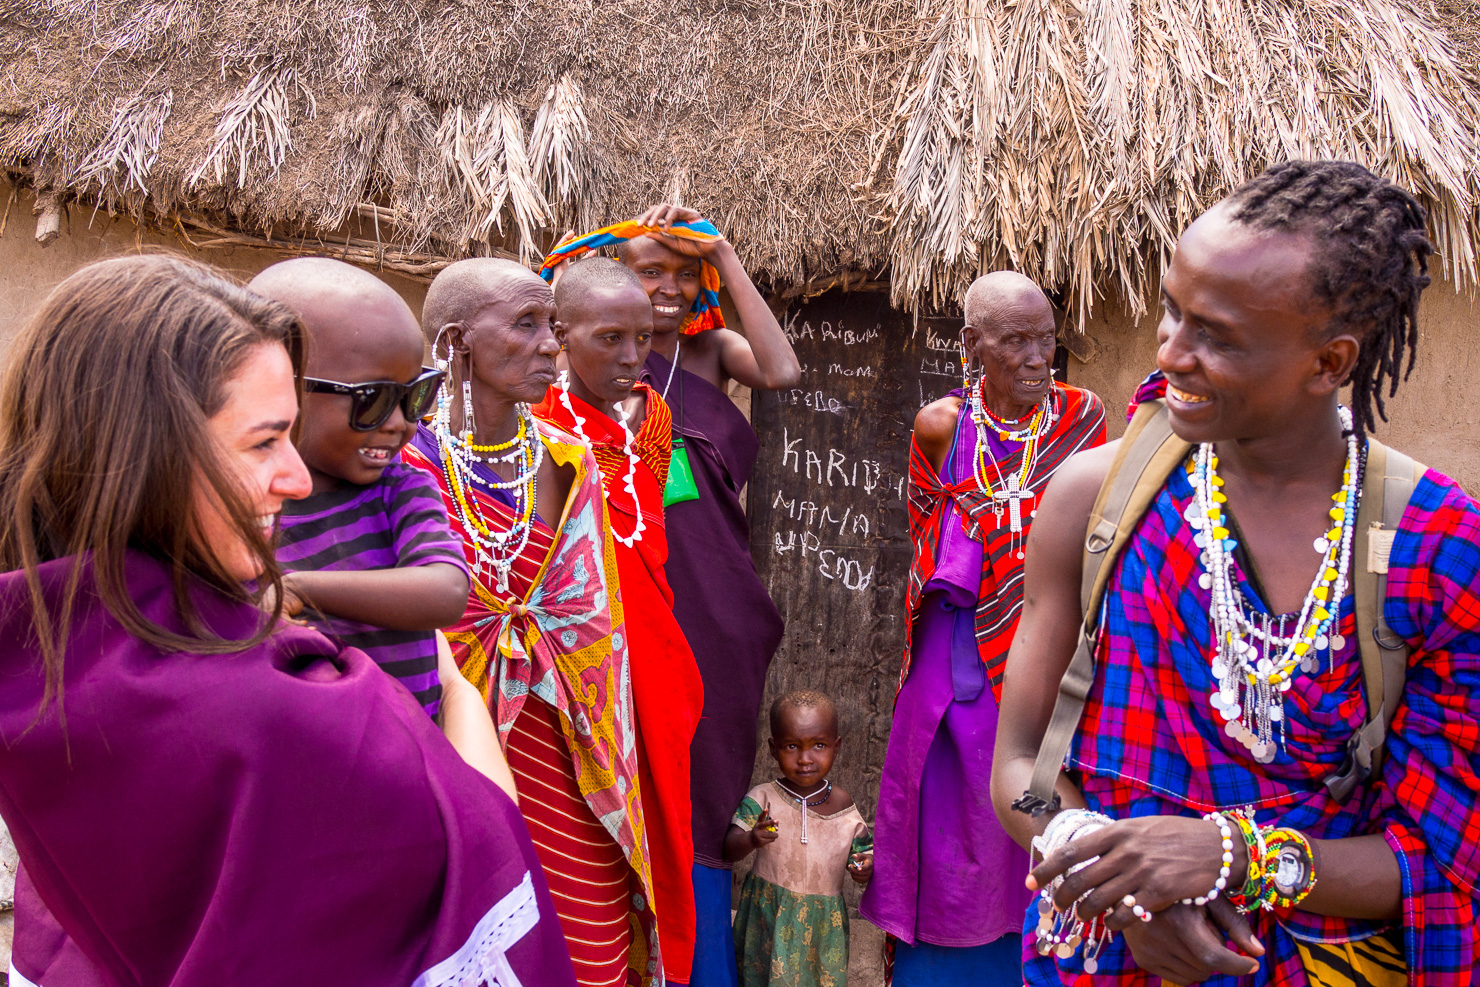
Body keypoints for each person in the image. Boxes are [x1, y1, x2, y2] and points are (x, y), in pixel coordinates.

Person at [0, 254, 574, 987]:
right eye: (265, 441)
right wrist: (458, 694)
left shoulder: (48, 649)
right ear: (148, 455)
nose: (297, 479)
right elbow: (481, 842)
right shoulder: (286, 709)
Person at [991, 160, 1480, 986]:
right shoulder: (1096, 502)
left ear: (1328, 363)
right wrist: (1122, 896)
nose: (1171, 354)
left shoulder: (1433, 551)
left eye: (1214, 334)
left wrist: (1233, 856)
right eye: (1171, 312)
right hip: (1113, 963)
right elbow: (1019, 770)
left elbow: (1442, 857)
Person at [401, 257, 660, 987]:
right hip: (444, 737)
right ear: (456, 341)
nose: (552, 345)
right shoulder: (401, 464)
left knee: (585, 929)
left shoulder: (568, 460)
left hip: (567, 743)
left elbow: (591, 631)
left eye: (552, 325)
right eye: (527, 325)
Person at [860, 271, 1107, 984]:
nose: (1036, 357)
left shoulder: (1084, 416)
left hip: (1052, 645)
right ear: (972, 345)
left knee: (1037, 800)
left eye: (1046, 341)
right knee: (947, 823)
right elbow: (929, 542)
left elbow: (1100, 534)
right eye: (1015, 341)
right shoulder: (941, 425)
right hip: (957, 651)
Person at [592, 205, 800, 987]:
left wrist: (727, 251)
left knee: (702, 775)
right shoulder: (596, 362)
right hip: (618, 598)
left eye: (686, 272)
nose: (670, 288)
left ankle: (697, 964)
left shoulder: (712, 353)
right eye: (651, 271)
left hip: (711, 606)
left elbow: (780, 372)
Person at [533, 257, 706, 984]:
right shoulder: (535, 427)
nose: (633, 356)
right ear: (559, 334)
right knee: (586, 827)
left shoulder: (654, 414)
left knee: (661, 820)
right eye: (610, 338)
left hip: (658, 651)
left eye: (644, 337)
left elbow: (654, 527)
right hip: (584, 665)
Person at [249, 258, 470, 717]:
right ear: (282, 388)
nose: (399, 424)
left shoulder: (399, 490)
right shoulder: (241, 509)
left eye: (415, 396)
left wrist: (299, 589)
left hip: (410, 743)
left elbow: (445, 591)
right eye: (371, 400)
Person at [724, 690, 873, 987]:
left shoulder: (844, 807)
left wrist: (863, 867)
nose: (805, 759)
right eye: (792, 746)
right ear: (773, 748)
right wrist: (752, 839)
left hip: (822, 928)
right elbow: (729, 848)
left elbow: (864, 854)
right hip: (768, 918)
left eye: (818, 745)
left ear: (837, 746)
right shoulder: (763, 798)